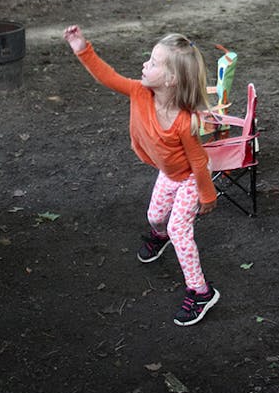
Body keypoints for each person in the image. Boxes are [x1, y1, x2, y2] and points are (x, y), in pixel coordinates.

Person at [62, 24, 221, 326]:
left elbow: (199, 160)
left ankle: (201, 292)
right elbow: (106, 77)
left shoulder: (183, 122)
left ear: (172, 80)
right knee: (154, 216)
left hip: (189, 178)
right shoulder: (139, 92)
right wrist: (82, 47)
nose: (144, 65)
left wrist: (206, 194)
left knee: (179, 230)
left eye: (153, 62)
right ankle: (158, 236)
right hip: (169, 173)